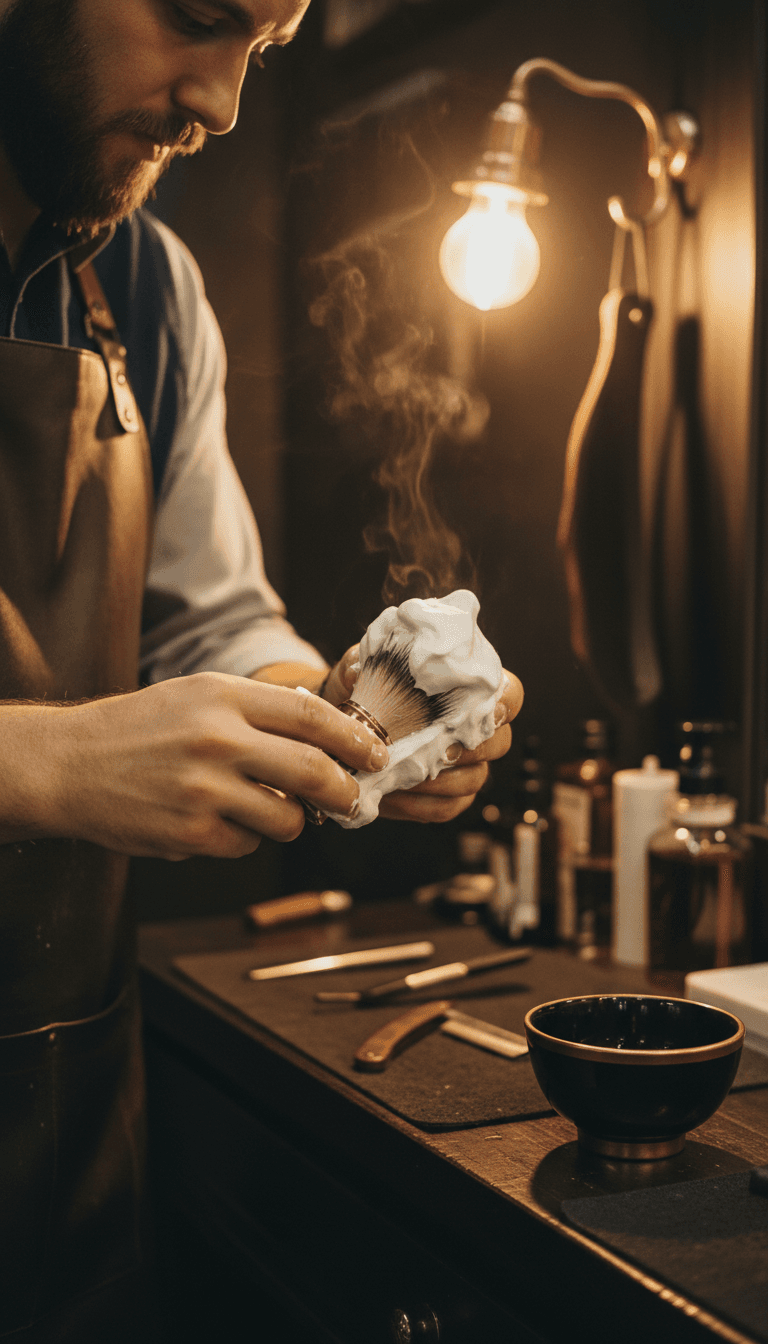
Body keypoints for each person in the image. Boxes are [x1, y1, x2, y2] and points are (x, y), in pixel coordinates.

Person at [0, 1, 524, 1339]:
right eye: (198, 17)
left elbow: (212, 623)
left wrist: (354, 719)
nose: (225, 103)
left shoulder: (149, 296)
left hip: (54, 1108)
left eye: (268, 46)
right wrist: (46, 758)